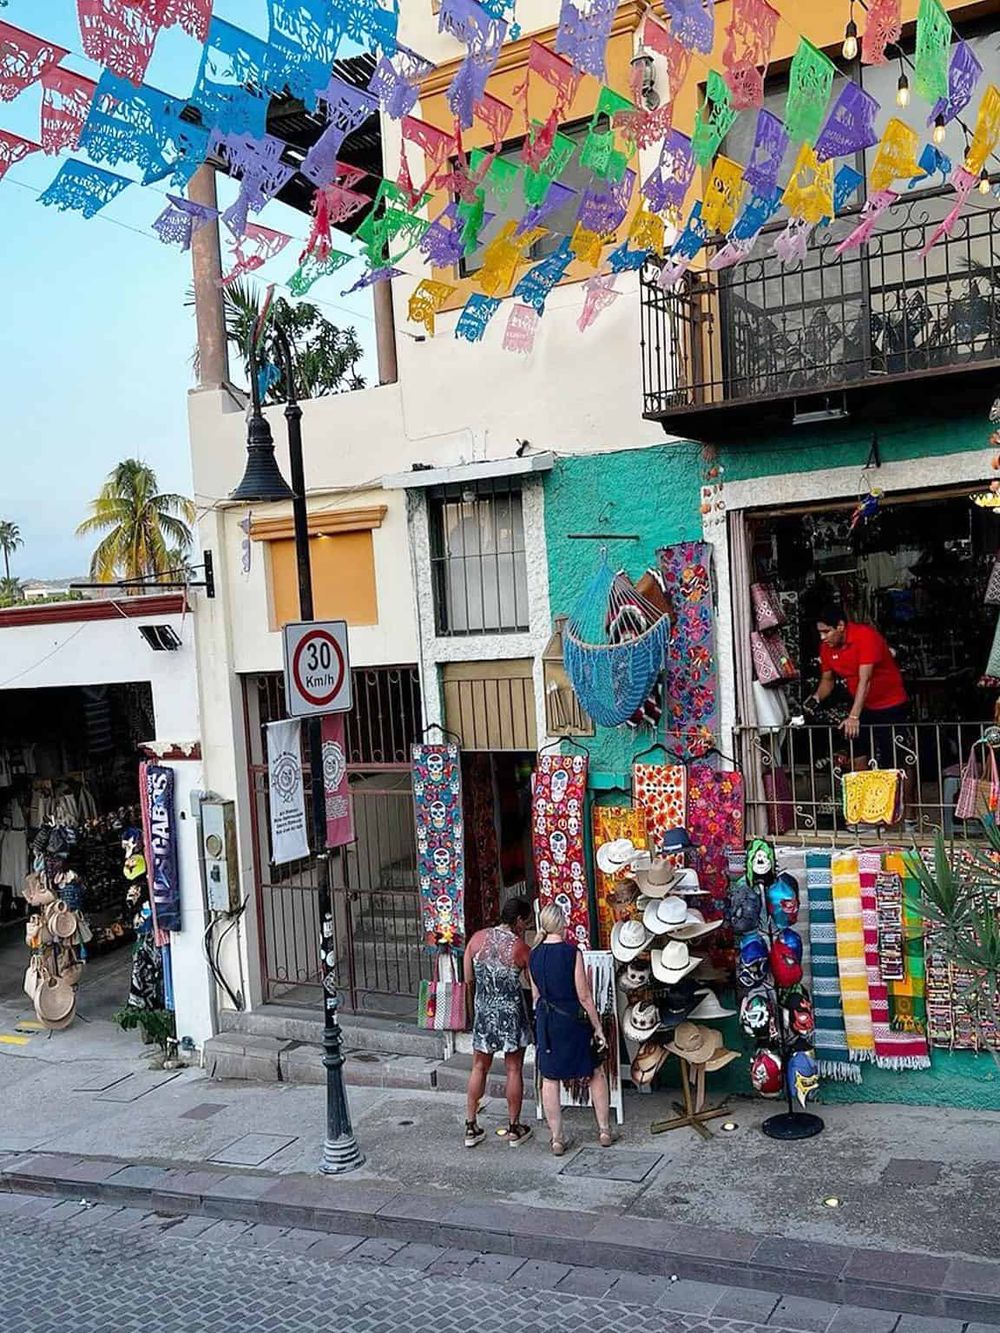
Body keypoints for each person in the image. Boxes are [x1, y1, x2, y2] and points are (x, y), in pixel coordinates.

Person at [807, 602, 914, 822]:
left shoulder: (865, 636)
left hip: (890, 704)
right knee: (858, 758)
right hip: (861, 706)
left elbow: (865, 680)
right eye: (820, 632)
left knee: (897, 760)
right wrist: (815, 699)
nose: (823, 637)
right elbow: (827, 681)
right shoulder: (826, 648)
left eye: (826, 631)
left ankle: (909, 814)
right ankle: (865, 816)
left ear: (841, 625)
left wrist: (853, 717)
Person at [529, 904, 612, 1156]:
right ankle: (604, 1129)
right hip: (572, 1020)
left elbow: (535, 996)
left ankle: (556, 1138)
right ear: (561, 923)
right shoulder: (571, 952)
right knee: (594, 1071)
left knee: (550, 1078)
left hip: (547, 1021)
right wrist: (597, 1027)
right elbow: (584, 995)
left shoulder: (533, 955)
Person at [462, 897, 534, 1149]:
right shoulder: (520, 947)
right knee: (513, 1069)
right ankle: (514, 1127)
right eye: (526, 922)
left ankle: (471, 1125)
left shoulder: (476, 939)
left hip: (484, 1011)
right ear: (517, 921)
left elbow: (468, 980)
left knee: (479, 1066)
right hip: (511, 1013)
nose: (526, 927)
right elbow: (534, 986)